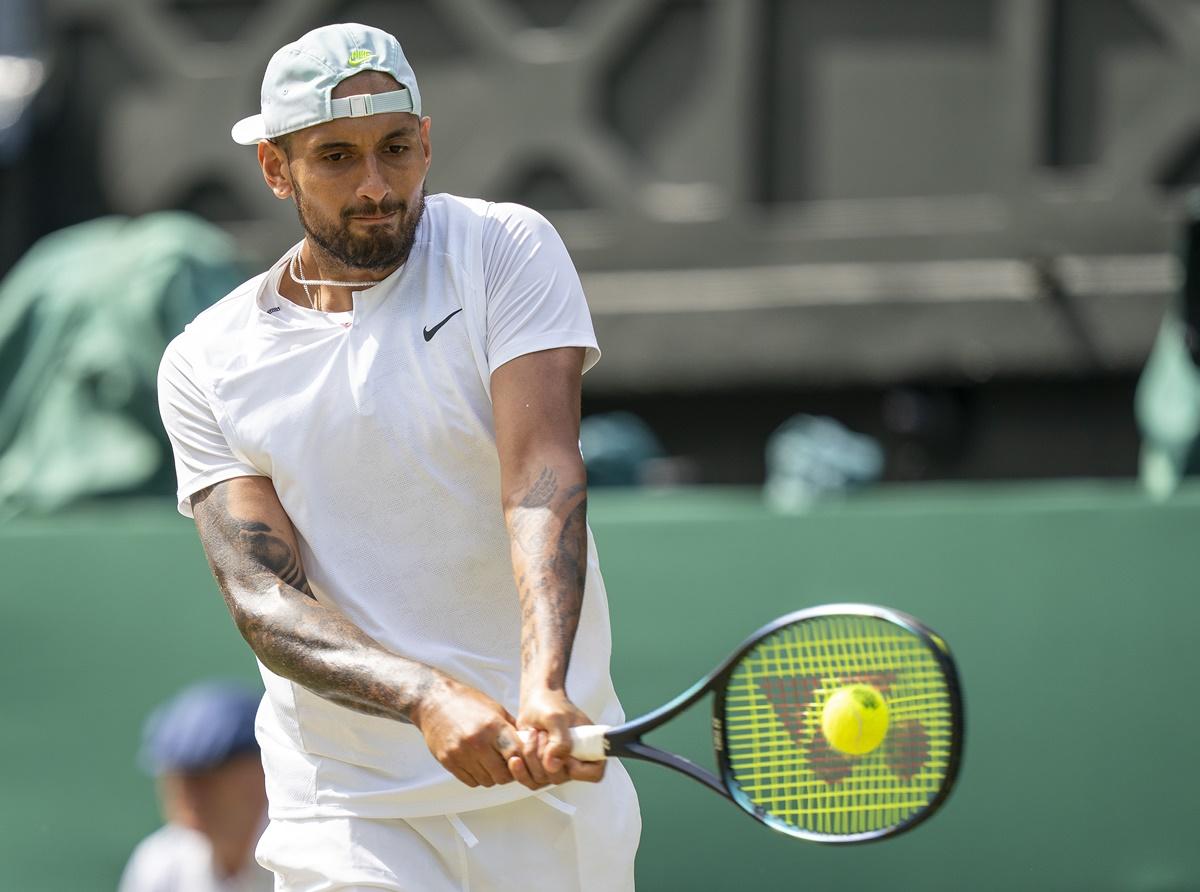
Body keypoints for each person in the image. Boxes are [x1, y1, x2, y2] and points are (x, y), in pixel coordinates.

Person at [156, 22, 640, 892]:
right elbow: (266, 598)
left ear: (427, 143)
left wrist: (545, 684)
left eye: (396, 148)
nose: (377, 185)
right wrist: (426, 697)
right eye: (336, 157)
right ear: (276, 168)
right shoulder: (205, 361)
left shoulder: (505, 249)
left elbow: (540, 477)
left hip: (550, 796)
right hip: (345, 811)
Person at [119, 682, 273, 892]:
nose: (189, 792)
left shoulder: (305, 850)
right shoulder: (160, 862)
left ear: (263, 770)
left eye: (210, 774)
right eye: (178, 776)